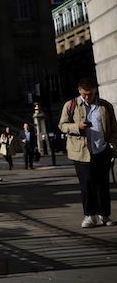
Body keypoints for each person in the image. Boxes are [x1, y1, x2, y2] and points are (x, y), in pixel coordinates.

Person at [59, 77, 117, 228]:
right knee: (86, 184)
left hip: (102, 150)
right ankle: (89, 216)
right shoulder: (71, 105)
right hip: (80, 152)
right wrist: (77, 126)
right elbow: (62, 125)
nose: (87, 97)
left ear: (95, 91)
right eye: (84, 94)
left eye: (90, 94)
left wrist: (112, 145)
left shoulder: (105, 106)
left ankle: (104, 215)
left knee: (102, 185)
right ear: (79, 91)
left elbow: (114, 129)